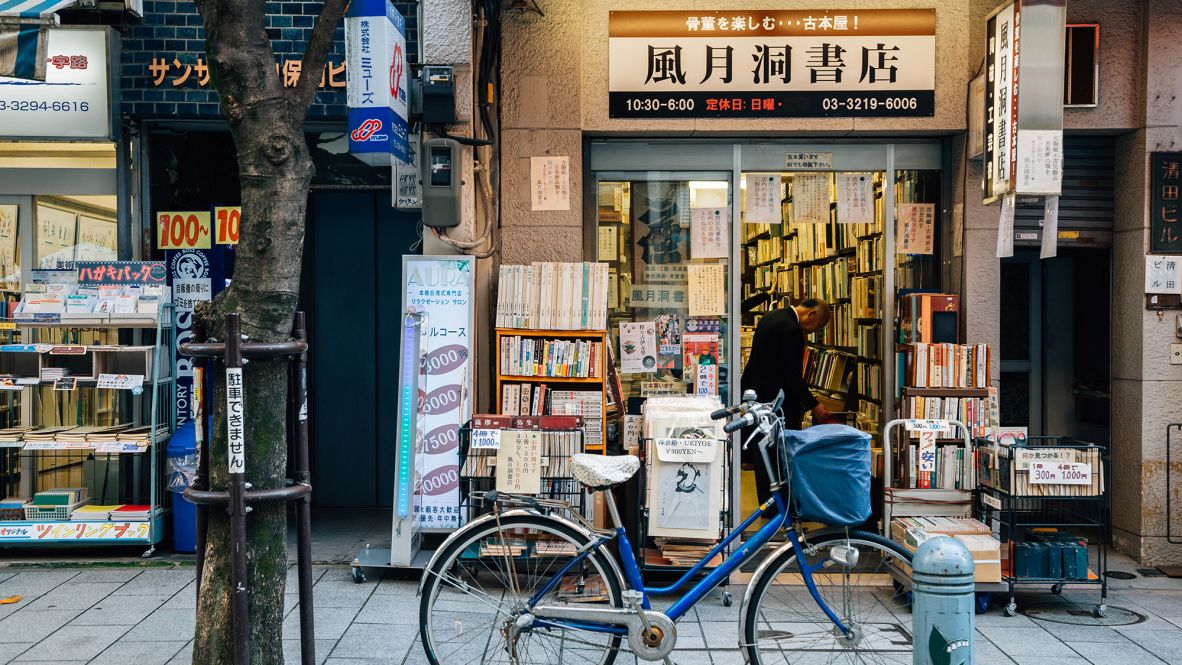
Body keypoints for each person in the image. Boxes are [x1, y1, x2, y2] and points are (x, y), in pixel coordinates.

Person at [740, 298, 834, 507]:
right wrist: (814, 405)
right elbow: (792, 376)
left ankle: (768, 504)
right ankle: (781, 506)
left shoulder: (770, 316)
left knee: (764, 455)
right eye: (815, 327)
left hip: (759, 397)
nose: (809, 333)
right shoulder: (791, 330)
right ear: (811, 314)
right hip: (778, 404)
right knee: (780, 456)